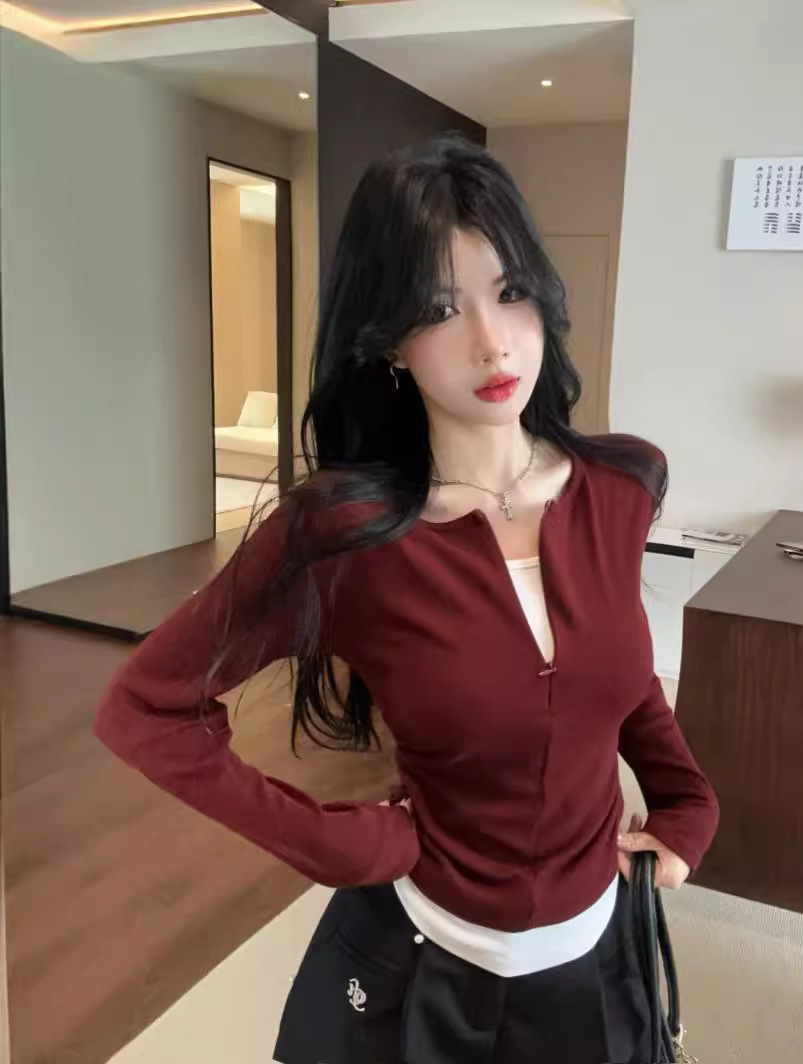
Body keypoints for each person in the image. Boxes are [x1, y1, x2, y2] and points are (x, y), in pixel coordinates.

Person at [94, 136, 719, 1064]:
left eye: (511, 291)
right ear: (389, 337)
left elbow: (611, 673)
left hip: (597, 949)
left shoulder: (622, 487)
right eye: (439, 308)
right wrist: (331, 844)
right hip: (426, 961)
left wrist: (683, 800)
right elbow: (144, 708)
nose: (492, 341)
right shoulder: (346, 537)